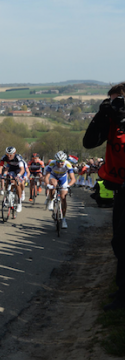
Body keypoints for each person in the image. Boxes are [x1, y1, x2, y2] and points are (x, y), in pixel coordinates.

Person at [83, 82, 125, 311]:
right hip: (119, 189)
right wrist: (102, 115)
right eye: (111, 100)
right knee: (119, 242)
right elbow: (89, 143)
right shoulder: (112, 119)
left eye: (118, 100)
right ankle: (121, 295)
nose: (114, 104)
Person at [43, 151, 76, 228]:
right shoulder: (52, 163)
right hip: (53, 176)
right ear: (55, 160)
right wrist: (48, 185)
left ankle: (64, 219)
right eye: (58, 162)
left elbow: (73, 179)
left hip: (63, 178)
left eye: (62, 162)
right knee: (53, 184)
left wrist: (68, 185)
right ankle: (51, 200)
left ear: (64, 161)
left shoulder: (68, 164)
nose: (60, 164)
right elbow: (46, 177)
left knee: (63, 198)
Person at [0, 146, 26, 213]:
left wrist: (18, 176)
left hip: (19, 170)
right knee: (7, 178)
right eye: (7, 154)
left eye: (10, 155)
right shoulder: (4, 157)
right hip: (11, 169)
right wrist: (0, 175)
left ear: (14, 153)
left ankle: (19, 202)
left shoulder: (18, 158)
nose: (9, 156)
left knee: (17, 183)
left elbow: (22, 169)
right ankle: (7, 195)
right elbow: (0, 167)